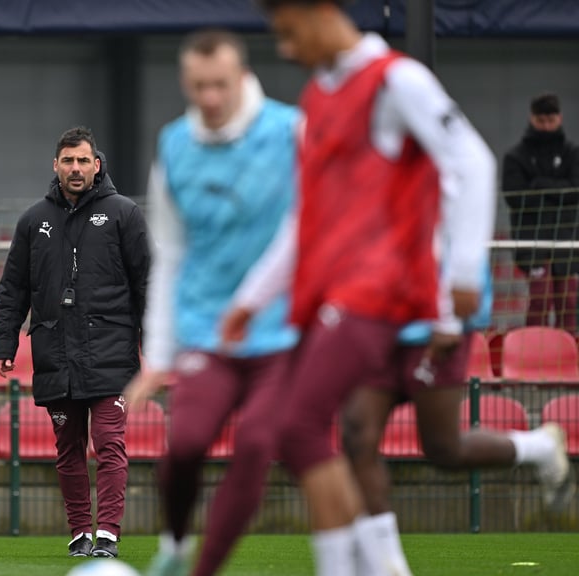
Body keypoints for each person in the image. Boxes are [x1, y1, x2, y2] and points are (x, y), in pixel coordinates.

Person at [222, 0, 489, 573]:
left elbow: (472, 162)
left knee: (297, 426)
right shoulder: (317, 99)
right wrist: (253, 296)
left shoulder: (398, 79)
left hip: (381, 292)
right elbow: (304, 220)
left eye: (289, 32)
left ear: (320, 13)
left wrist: (464, 273)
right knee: (323, 433)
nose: (286, 50)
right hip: (335, 296)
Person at [123, 30, 299, 576]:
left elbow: (308, 228)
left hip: (281, 332)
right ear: (185, 82)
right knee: (185, 448)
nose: (211, 98)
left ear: (241, 75)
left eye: (220, 84)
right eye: (199, 86)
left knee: (254, 448)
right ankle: (174, 548)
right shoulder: (174, 145)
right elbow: (169, 253)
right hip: (207, 330)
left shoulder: (292, 132)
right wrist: (157, 355)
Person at [343, 263, 574, 576]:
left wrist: (448, 322)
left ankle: (540, 446)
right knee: (357, 435)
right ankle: (389, 569)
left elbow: (463, 242)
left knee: (443, 448)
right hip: (384, 316)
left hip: (437, 322)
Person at [0, 126, 150, 559]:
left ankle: (109, 535)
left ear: (97, 165)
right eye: (68, 161)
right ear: (56, 166)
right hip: (55, 351)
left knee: (109, 440)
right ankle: (82, 531)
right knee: (68, 449)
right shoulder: (33, 220)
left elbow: (147, 283)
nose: (76, 168)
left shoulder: (124, 214)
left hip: (111, 353)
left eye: (83, 160)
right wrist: (4, 344)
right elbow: (13, 289)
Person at [503, 93, 579, 333]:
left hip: (567, 240)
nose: (546, 125)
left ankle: (571, 359)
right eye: (541, 120)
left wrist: (539, 184)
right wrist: (559, 192)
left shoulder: (572, 153)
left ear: (560, 118)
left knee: (567, 301)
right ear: (532, 118)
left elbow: (575, 193)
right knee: (540, 299)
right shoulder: (516, 156)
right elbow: (515, 198)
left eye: (551, 119)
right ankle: (535, 358)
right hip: (532, 242)